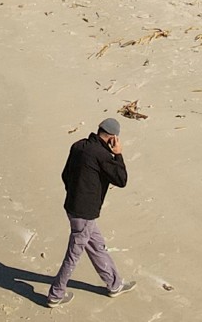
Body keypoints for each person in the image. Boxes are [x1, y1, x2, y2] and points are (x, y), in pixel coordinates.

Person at [46, 118, 136, 307]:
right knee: (73, 255)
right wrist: (118, 155)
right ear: (113, 138)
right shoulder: (102, 155)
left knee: (97, 246)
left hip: (72, 207)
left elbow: (65, 175)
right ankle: (56, 294)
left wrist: (76, 193)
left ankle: (115, 284)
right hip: (84, 213)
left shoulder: (78, 146)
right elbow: (121, 180)